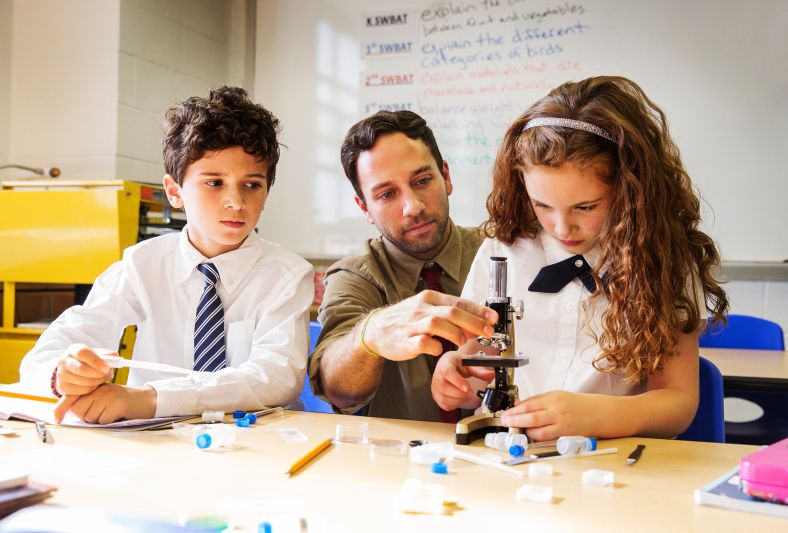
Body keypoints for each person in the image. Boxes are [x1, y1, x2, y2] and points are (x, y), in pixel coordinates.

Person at [431, 76, 729, 440]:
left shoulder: (665, 258)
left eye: (585, 207)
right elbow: (476, 354)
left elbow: (678, 402)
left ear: (630, 189)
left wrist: (598, 415)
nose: (562, 227)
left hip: (609, 462)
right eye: (542, 205)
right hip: (508, 453)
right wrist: (454, 372)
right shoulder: (503, 248)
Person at [19, 87, 314, 424]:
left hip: (254, 442)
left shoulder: (287, 275)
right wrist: (62, 372)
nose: (236, 202)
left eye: (251, 184)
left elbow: (275, 379)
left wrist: (152, 399)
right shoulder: (143, 263)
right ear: (175, 192)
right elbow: (54, 347)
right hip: (151, 442)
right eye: (214, 183)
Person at [309, 110, 498, 421]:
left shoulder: (500, 252)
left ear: (446, 177)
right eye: (387, 194)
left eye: (422, 181)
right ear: (364, 208)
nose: (414, 207)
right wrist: (369, 337)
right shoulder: (355, 277)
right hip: (400, 461)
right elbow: (337, 391)